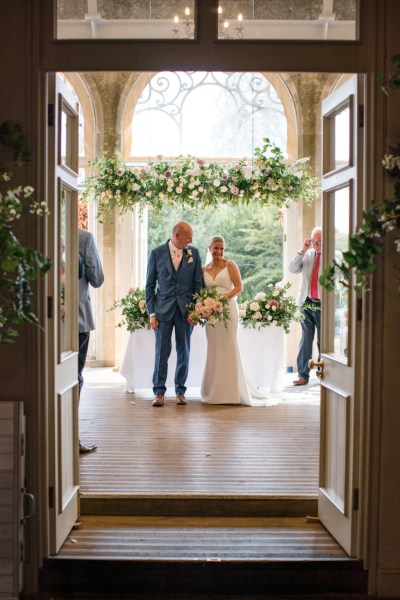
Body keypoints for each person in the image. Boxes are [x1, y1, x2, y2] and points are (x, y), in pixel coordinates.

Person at [201, 236, 270, 406]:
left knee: (229, 346)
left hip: (227, 310)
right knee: (214, 348)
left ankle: (231, 391)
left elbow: (239, 287)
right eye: (216, 248)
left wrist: (223, 300)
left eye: (221, 249)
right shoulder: (203, 269)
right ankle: (214, 391)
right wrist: (204, 307)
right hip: (211, 313)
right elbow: (202, 291)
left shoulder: (230, 265)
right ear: (209, 248)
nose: (219, 252)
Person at [145, 221, 204, 407]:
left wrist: (196, 310)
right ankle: (159, 392)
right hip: (163, 310)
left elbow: (198, 285)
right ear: (178, 235)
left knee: (183, 351)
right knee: (162, 352)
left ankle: (180, 391)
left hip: (185, 311)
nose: (191, 240)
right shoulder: (156, 253)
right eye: (189, 236)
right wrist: (152, 313)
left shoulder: (193, 253)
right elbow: (149, 286)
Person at [78, 227, 104, 452]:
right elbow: (97, 278)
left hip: (47, 319)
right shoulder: (83, 237)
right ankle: (70, 437)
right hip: (76, 321)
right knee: (75, 378)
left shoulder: (37, 229)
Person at [288, 226, 322, 386]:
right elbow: (292, 269)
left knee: (323, 341)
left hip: (324, 305)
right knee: (306, 340)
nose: (316, 245)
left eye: (319, 242)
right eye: (314, 242)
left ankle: (324, 375)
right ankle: (303, 375)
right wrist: (302, 250)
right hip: (306, 303)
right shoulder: (307, 254)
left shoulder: (334, 255)